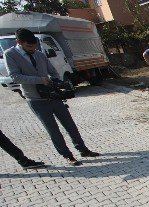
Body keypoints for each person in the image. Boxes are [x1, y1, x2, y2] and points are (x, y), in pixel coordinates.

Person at [4, 29, 100, 166]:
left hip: (53, 95)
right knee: (53, 130)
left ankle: (83, 149)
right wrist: (39, 80)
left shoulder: (39, 54)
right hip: (36, 99)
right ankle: (67, 156)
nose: (32, 49)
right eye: (29, 47)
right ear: (19, 42)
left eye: (34, 46)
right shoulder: (10, 55)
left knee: (70, 125)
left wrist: (57, 82)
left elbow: (53, 72)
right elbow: (15, 76)